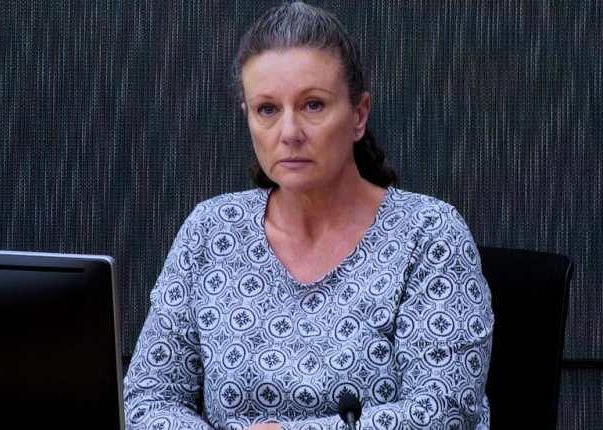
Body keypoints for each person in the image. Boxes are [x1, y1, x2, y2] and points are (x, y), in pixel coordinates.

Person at [124, 2, 494, 429]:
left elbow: (444, 411)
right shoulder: (210, 229)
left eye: (313, 105)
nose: (289, 133)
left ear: (359, 115)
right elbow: (148, 400)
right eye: (267, 109)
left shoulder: (429, 233)